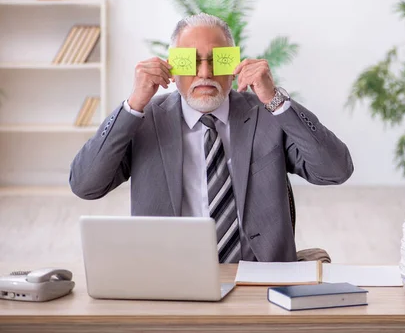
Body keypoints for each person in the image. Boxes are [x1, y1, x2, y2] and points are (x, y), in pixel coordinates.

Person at [69, 13, 354, 263]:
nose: (204, 73)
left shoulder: (267, 115)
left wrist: (275, 100)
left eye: (218, 60)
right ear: (171, 67)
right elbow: (85, 185)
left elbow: (335, 171)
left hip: (262, 279)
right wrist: (133, 105)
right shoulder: (144, 120)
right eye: (189, 62)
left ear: (234, 66)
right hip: (168, 278)